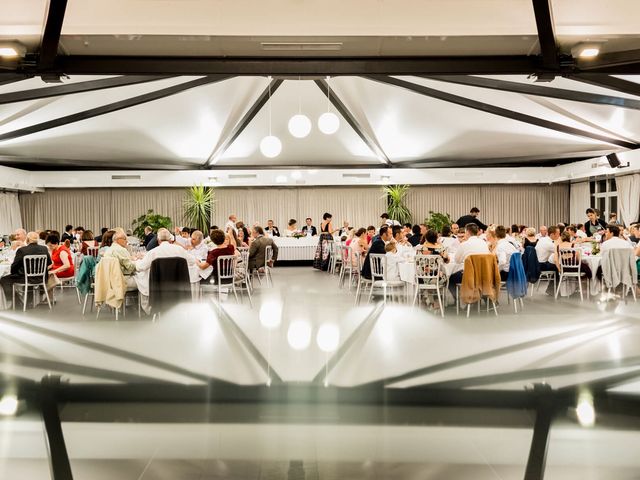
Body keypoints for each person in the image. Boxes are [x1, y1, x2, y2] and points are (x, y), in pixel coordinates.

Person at [0, 232, 52, 305]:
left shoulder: (22, 250)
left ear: (27, 239)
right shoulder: (44, 249)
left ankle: (16, 302)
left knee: (4, 279)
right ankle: (28, 301)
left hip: (26, 278)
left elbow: (14, 266)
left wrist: (14, 272)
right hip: (41, 278)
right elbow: (49, 263)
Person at [448, 223, 490, 298]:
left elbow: (457, 261)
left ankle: (458, 300)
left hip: (469, 275)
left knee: (450, 278)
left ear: (467, 232)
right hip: (484, 275)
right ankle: (484, 299)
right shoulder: (484, 243)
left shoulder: (464, 244)